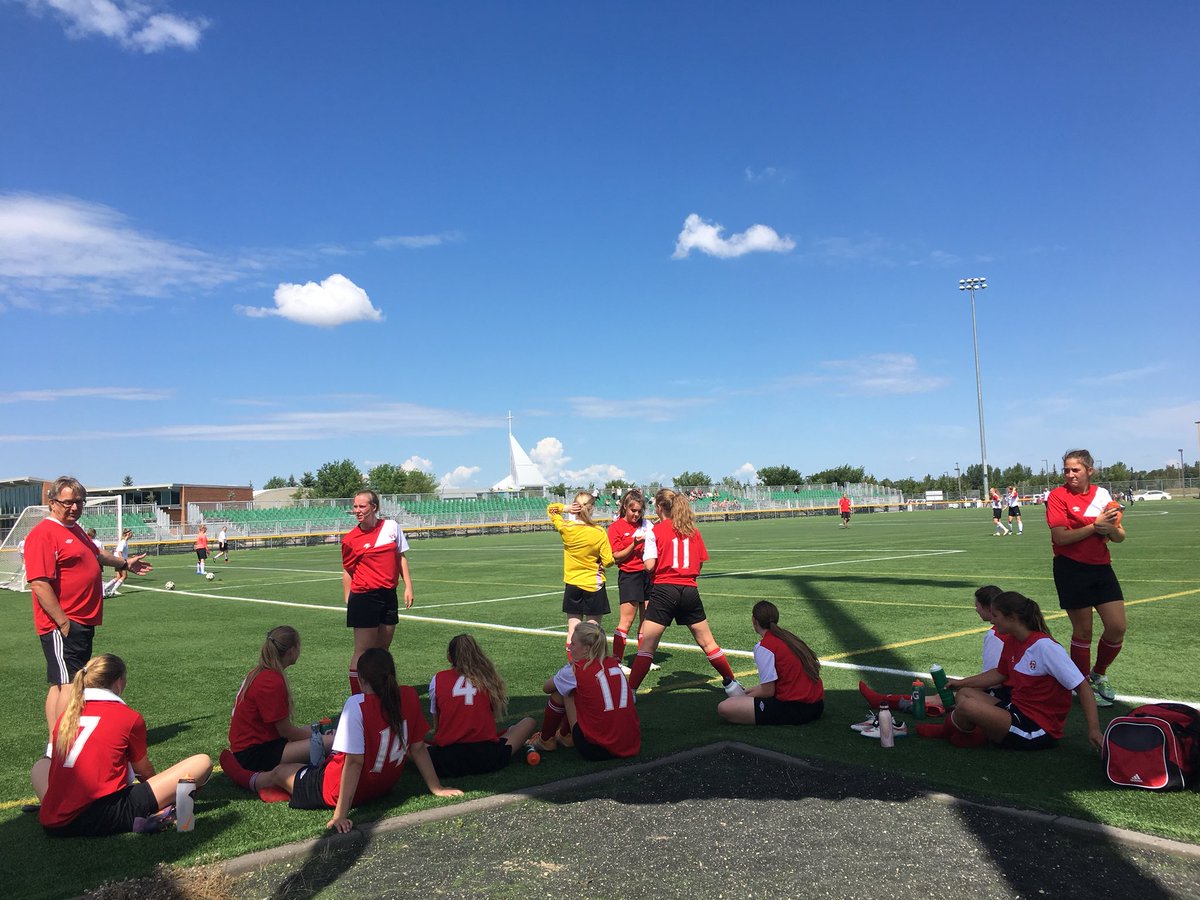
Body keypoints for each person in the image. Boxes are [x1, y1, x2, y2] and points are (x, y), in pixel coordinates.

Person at [252, 648, 461, 833]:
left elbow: (354, 763)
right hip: (384, 785)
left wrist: (340, 815)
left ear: (361, 680)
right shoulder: (409, 696)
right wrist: (436, 787)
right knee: (310, 763)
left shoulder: (357, 704)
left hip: (338, 790)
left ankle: (244, 776)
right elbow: (418, 749)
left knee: (281, 771)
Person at [25, 476, 152, 739]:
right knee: (70, 684)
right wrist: (63, 623)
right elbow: (39, 584)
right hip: (65, 623)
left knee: (61, 683)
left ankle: (56, 741)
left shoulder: (75, 530)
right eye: (68, 502)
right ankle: (65, 742)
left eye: (79, 502)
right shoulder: (43, 534)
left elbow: (96, 555)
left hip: (82, 620)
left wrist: (124, 563)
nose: (74, 508)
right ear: (52, 503)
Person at [30, 654, 212, 836]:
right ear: (118, 682)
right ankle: (164, 812)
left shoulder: (67, 715)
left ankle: (57, 808)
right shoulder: (128, 717)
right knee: (202, 762)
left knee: (40, 766)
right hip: (105, 814)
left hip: (54, 823)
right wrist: (161, 793)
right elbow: (144, 771)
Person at [916, 592, 1103, 752]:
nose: (992, 620)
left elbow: (1083, 687)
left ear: (1012, 618)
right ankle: (972, 734)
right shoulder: (1013, 640)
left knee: (967, 707)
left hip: (1037, 728)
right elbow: (1000, 674)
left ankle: (949, 731)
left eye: (995, 615)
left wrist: (1094, 729)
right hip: (1016, 709)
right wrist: (962, 683)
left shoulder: (1045, 648)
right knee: (964, 694)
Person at [626, 489, 743, 696]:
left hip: (663, 590)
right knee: (708, 643)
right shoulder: (693, 531)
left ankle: (629, 692)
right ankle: (732, 685)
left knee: (647, 647)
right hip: (689, 590)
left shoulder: (656, 531)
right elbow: (699, 564)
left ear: (660, 507)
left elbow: (650, 566)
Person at [1045, 449, 1126, 708]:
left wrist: (1110, 528)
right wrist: (1094, 526)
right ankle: (1082, 687)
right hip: (1070, 568)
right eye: (1066, 470)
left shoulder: (1102, 495)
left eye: (1075, 470)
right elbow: (1060, 537)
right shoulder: (1057, 496)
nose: (1070, 475)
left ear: (1089, 471)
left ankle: (1098, 674)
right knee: (1083, 630)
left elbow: (1120, 536)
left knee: (1117, 627)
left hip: (1102, 567)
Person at [857, 585, 1006, 717]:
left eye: (977, 605)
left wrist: (962, 684)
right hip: (1008, 693)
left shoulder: (995, 635)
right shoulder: (1007, 633)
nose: (976, 609)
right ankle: (887, 701)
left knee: (945, 696)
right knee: (947, 695)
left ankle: (885, 701)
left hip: (1004, 695)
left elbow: (993, 679)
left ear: (988, 608)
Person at [220, 626, 334, 790]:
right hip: (255, 754)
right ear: (291, 650)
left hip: (256, 747)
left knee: (318, 729)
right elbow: (286, 732)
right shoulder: (271, 680)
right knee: (332, 741)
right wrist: (318, 735)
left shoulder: (261, 672)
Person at [425, 634, 538, 777]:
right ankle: (510, 731)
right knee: (528, 722)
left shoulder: (438, 679)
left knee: (410, 744)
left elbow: (437, 729)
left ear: (449, 657)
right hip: (488, 757)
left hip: (449, 760)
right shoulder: (487, 677)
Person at [530, 622, 640, 760]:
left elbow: (546, 688)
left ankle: (546, 739)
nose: (569, 647)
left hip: (596, 748)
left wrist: (566, 669)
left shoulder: (575, 670)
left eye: (574, 644)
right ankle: (564, 735)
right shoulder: (614, 664)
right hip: (630, 743)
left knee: (563, 691)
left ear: (587, 649)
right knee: (579, 690)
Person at [342, 489, 414, 695]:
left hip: (388, 595)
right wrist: (349, 598)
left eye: (361, 506)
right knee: (363, 652)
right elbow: (347, 570)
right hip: (364, 597)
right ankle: (358, 697)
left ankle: (383, 692)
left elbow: (401, 556)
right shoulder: (350, 539)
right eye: (355, 506)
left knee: (382, 651)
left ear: (374, 507)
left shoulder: (391, 527)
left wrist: (408, 586)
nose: (357, 510)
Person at [717, 601, 824, 726]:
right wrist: (749, 691)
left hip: (795, 709)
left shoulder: (764, 646)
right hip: (817, 705)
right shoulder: (788, 637)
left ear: (754, 620)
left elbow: (768, 691)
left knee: (725, 707)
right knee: (745, 695)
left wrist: (741, 698)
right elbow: (774, 683)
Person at [547, 492, 615, 655]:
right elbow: (608, 561)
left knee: (573, 630)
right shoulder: (599, 532)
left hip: (573, 584)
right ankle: (592, 667)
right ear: (592, 509)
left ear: (575, 508)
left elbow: (551, 510)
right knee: (593, 630)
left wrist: (565, 508)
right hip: (594, 585)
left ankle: (573, 666)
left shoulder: (566, 528)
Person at [606, 489, 658, 669]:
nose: (636, 514)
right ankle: (616, 661)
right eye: (632, 510)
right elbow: (617, 557)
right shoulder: (615, 528)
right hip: (629, 576)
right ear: (624, 508)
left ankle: (643, 658)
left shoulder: (647, 524)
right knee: (626, 621)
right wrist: (633, 544)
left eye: (639, 511)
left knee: (647, 620)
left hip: (648, 575)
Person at [102, 528, 134, 598]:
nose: (132, 534)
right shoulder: (123, 542)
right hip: (119, 561)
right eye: (131, 533)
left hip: (118, 560)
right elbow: (119, 551)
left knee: (118, 577)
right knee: (124, 576)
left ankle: (105, 588)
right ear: (127, 534)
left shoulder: (124, 542)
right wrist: (122, 560)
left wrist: (130, 556)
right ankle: (112, 591)